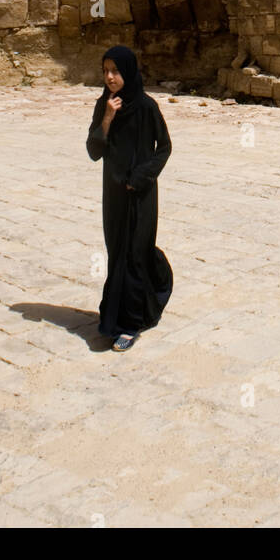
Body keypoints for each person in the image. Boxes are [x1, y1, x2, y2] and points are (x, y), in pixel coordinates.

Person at [86, 44, 173, 351]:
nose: (110, 77)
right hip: (113, 194)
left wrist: (139, 178)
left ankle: (130, 324)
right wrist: (107, 117)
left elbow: (163, 148)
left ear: (128, 71)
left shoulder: (147, 106)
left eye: (116, 71)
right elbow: (94, 150)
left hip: (141, 194)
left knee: (136, 255)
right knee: (117, 253)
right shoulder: (105, 104)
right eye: (106, 71)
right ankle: (115, 319)